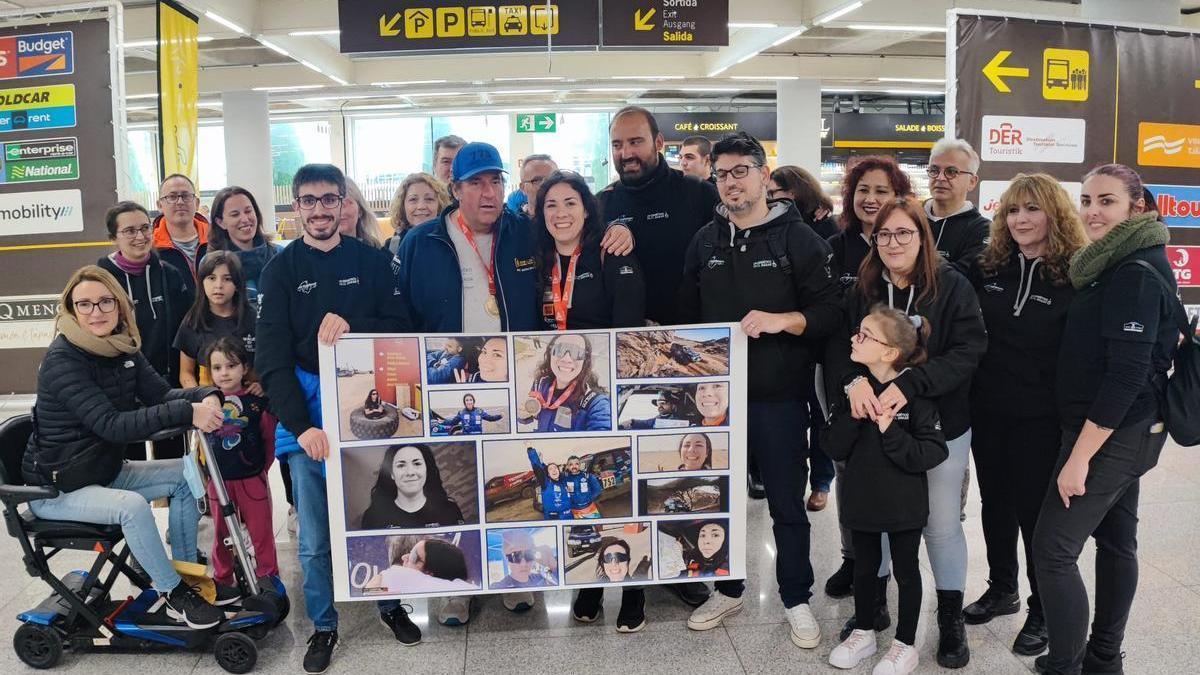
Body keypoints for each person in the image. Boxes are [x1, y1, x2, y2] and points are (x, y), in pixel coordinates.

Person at [676, 132, 842, 649]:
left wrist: (784, 320)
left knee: (786, 507)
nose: (730, 182)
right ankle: (728, 587)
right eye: (721, 174)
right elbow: (686, 316)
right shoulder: (705, 240)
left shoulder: (799, 241)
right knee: (718, 502)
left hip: (780, 399)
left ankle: (795, 598)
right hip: (716, 405)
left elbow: (831, 313)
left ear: (763, 176)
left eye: (740, 171)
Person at [255, 163, 416, 669]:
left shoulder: (372, 262)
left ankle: (389, 603)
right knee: (317, 539)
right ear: (296, 206)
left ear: (345, 202)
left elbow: (400, 327)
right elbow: (271, 360)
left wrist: (353, 324)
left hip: (370, 416)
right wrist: (302, 428)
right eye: (310, 200)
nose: (321, 209)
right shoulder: (279, 271)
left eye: (331, 199)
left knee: (377, 518)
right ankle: (324, 625)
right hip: (309, 421)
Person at [824, 196, 986, 668]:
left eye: (904, 233)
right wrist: (853, 382)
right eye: (884, 235)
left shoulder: (952, 286)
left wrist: (913, 383)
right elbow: (839, 344)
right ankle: (871, 611)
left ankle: (950, 616)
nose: (893, 243)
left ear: (923, 236)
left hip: (939, 425)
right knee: (872, 519)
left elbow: (970, 350)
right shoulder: (864, 286)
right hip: (869, 428)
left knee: (938, 523)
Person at [1033, 164, 1177, 675]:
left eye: (1108, 201)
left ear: (1136, 207)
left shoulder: (1133, 272)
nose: (1093, 211)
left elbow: (1125, 378)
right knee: (1117, 541)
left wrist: (1079, 459)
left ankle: (1068, 665)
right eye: (1088, 200)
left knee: (1052, 552)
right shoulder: (1118, 261)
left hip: (1112, 432)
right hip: (1122, 428)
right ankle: (1103, 659)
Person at [24, 265, 225, 629]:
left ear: (120, 306)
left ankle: (188, 577)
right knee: (132, 507)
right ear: (70, 309)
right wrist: (188, 411)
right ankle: (172, 594)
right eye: (84, 304)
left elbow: (160, 394)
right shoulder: (63, 360)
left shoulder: (122, 348)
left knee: (185, 474)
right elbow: (112, 426)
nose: (96, 312)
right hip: (57, 488)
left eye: (105, 302)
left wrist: (206, 393)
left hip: (102, 471)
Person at [964, 174, 1088, 657]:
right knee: (994, 504)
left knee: (1036, 516)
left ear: (1054, 214)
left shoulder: (1076, 273)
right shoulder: (990, 266)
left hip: (1042, 419)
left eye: (1032, 209)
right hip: (989, 410)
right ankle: (1002, 588)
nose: (1020, 220)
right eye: (1012, 210)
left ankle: (1042, 608)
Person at [824, 306, 949, 675]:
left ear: (890, 352)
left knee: (907, 571)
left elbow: (933, 450)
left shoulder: (915, 395)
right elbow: (832, 445)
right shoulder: (853, 387)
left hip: (904, 504)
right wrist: (853, 415)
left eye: (863, 335)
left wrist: (889, 429)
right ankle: (863, 630)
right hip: (861, 499)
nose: (853, 338)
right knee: (864, 567)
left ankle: (904, 644)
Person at [397, 141, 633, 335]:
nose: (489, 193)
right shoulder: (420, 243)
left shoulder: (526, 232)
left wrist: (618, 227)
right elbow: (401, 317)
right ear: (456, 189)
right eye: (476, 183)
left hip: (519, 374)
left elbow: (572, 232)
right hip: (448, 377)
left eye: (495, 181)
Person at [599, 106, 720, 327]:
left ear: (658, 142)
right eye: (617, 145)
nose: (626, 154)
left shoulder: (699, 194)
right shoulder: (602, 204)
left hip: (693, 334)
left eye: (635, 142)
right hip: (627, 341)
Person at [768, 164, 838, 510]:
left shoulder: (824, 225)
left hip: (819, 334)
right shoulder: (771, 224)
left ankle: (822, 482)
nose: (770, 200)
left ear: (793, 193)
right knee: (796, 416)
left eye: (775, 193)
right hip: (788, 335)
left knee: (820, 414)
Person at [202, 337, 279, 603]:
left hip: (252, 480)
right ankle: (223, 580)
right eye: (217, 367)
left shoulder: (258, 403)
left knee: (261, 533)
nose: (224, 373)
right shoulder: (205, 404)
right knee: (221, 534)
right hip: (218, 483)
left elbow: (269, 439)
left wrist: (262, 472)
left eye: (231, 366)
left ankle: (268, 577)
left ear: (244, 368)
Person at [533, 170, 646, 330]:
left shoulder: (612, 252)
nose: (561, 213)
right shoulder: (538, 257)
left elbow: (629, 331)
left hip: (604, 354)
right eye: (551, 205)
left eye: (570, 203)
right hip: (552, 353)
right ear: (542, 212)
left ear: (586, 210)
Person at [97, 201, 191, 391]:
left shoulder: (170, 274)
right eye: (130, 231)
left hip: (169, 383)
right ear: (113, 237)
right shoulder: (100, 281)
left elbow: (188, 328)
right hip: (121, 384)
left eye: (145, 228)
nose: (140, 236)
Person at [827, 156, 913, 291]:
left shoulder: (911, 245)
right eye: (863, 190)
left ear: (898, 197)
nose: (870, 199)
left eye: (881, 191)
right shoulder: (835, 247)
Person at [175, 252, 257, 388]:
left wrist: (261, 384)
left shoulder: (253, 318)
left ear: (237, 284)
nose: (218, 285)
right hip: (210, 402)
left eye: (227, 279)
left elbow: (270, 363)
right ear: (202, 282)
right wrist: (199, 398)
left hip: (251, 402)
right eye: (212, 278)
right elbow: (186, 373)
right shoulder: (193, 320)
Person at [519, 334, 612, 432]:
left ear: (585, 361)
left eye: (577, 352)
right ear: (550, 354)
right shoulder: (540, 384)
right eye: (559, 349)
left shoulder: (596, 403)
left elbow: (603, 429)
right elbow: (530, 415)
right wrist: (523, 415)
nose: (566, 359)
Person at [359, 444, 465, 529]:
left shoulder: (450, 511)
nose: (410, 472)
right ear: (391, 473)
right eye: (401, 465)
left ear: (427, 469)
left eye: (417, 464)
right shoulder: (373, 517)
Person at [924, 138, 991, 272]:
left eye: (951, 172)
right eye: (934, 170)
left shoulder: (984, 230)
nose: (940, 178)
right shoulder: (910, 218)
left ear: (972, 181)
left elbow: (964, 278)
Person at [207, 186, 279, 308]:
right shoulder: (211, 264)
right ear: (220, 222)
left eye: (248, 211)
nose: (245, 219)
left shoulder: (280, 255)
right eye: (235, 214)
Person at [153, 173, 209, 296]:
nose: (180, 202)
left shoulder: (217, 239)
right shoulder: (151, 248)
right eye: (172, 197)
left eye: (186, 196)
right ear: (159, 205)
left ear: (197, 203)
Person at [369, 537, 476, 593]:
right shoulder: (463, 586)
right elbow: (370, 591)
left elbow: (370, 590)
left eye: (414, 557)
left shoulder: (397, 575)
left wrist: (381, 579)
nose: (403, 557)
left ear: (430, 573)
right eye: (411, 552)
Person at [384, 173, 450, 254]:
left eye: (429, 199)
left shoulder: (452, 243)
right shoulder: (391, 247)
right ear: (402, 206)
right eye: (413, 199)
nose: (421, 206)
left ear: (440, 205)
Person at [770, 165, 838, 238]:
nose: (769, 199)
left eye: (772, 193)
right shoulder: (788, 219)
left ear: (792, 193)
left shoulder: (820, 225)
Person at [491, 530, 556, 589]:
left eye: (528, 555)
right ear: (507, 560)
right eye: (515, 556)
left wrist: (551, 564)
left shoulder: (540, 578)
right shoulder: (499, 587)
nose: (523, 564)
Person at [527, 446, 572, 520]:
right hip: (555, 519)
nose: (554, 470)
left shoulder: (564, 482)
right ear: (548, 474)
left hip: (569, 517)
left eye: (555, 468)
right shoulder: (546, 484)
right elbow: (538, 468)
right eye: (551, 469)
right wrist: (530, 449)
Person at [339, 177, 382, 248]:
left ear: (360, 210)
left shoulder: (373, 246)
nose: (340, 211)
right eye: (332, 202)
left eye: (347, 202)